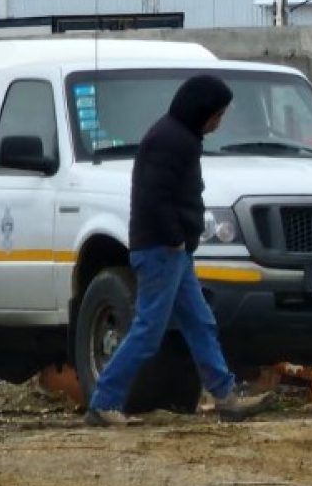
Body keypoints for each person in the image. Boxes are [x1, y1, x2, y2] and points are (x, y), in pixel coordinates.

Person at [86, 75, 276, 426]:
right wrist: (174, 237)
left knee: (200, 323)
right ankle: (104, 400)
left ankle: (224, 395)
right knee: (147, 332)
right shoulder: (173, 140)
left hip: (172, 251)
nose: (220, 121)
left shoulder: (178, 136)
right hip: (163, 249)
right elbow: (154, 197)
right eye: (218, 113)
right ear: (202, 111)